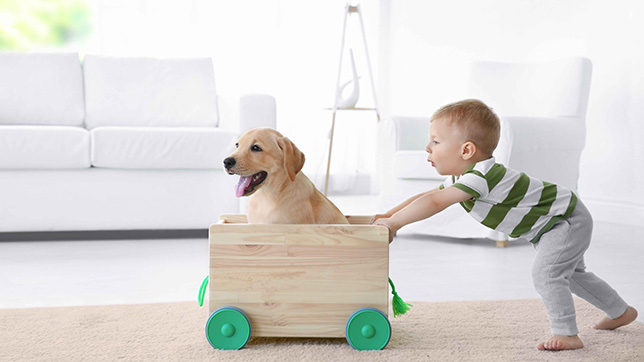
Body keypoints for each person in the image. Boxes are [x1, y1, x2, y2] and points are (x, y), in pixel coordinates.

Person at [372, 99, 638, 351]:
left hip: (566, 219)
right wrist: (389, 215)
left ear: (467, 150)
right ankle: (621, 311)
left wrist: (395, 224)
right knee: (574, 276)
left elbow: (435, 202)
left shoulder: (481, 177)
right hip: (557, 221)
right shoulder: (465, 176)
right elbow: (425, 197)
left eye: (436, 141)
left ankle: (567, 333)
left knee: (547, 274)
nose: (427, 148)